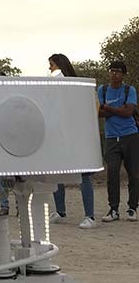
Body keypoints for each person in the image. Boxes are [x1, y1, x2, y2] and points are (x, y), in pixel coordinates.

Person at [46, 54, 96, 228]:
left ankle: (90, 216)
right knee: (57, 173)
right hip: (60, 135)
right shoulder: (55, 87)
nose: (49, 68)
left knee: (84, 175)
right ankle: (60, 211)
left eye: (51, 64)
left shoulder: (77, 87)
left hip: (78, 136)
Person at [98, 60, 139, 223]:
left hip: (130, 136)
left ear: (123, 74)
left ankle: (132, 208)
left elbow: (128, 112)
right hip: (111, 137)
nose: (114, 74)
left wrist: (107, 107)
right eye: (112, 70)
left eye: (118, 71)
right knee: (112, 174)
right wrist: (119, 109)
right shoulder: (103, 89)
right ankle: (113, 209)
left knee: (134, 174)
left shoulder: (129, 90)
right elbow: (98, 112)